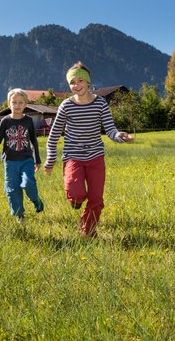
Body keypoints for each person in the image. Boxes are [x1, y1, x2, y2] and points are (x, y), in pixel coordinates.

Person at [44, 62, 133, 237]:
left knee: (96, 199)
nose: (76, 85)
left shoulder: (100, 104)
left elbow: (110, 129)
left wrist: (119, 136)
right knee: (76, 192)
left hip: (95, 157)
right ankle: (75, 200)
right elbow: (53, 135)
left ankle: (88, 230)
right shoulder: (66, 106)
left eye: (80, 81)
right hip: (73, 156)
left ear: (88, 82)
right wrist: (50, 159)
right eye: (72, 82)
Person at [0, 89, 44, 222]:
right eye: (14, 102)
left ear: (25, 104)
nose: (17, 105)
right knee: (12, 189)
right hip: (10, 162)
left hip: (27, 160)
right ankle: (19, 215)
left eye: (20, 102)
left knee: (28, 183)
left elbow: (33, 140)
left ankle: (36, 200)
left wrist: (37, 159)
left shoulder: (28, 121)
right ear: (9, 104)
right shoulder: (5, 121)